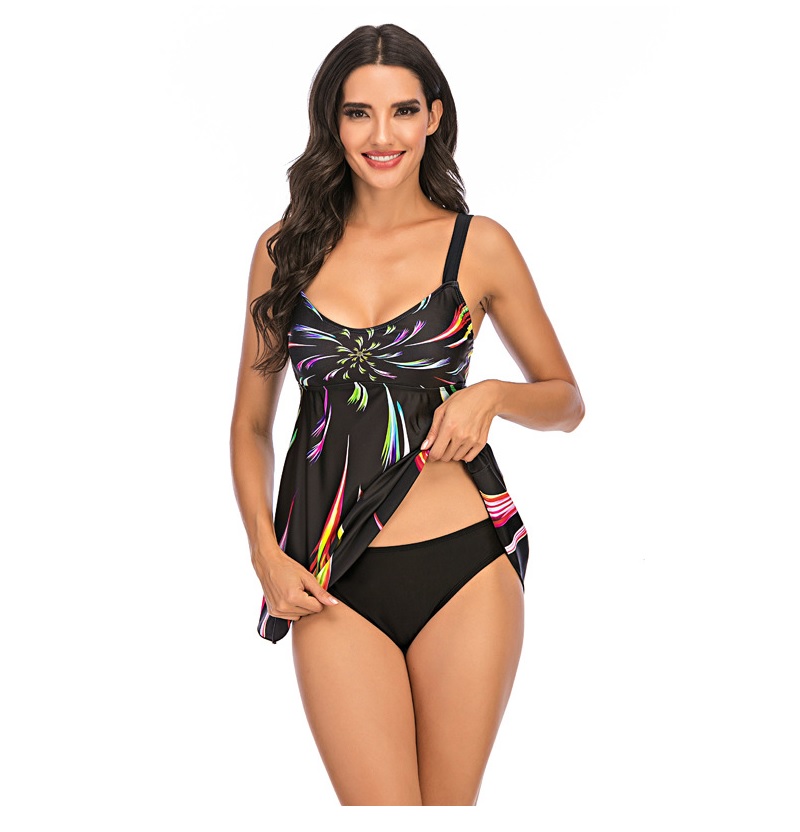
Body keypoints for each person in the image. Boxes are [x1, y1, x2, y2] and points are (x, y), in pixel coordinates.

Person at [230, 23, 585, 806]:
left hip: (466, 567)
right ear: (332, 121)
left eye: (402, 111)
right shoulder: (283, 250)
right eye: (359, 113)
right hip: (330, 573)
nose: (381, 136)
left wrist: (494, 395)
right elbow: (252, 423)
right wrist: (265, 553)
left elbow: (566, 401)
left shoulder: (478, 246)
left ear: (434, 116)